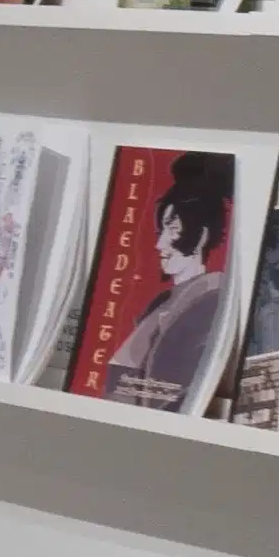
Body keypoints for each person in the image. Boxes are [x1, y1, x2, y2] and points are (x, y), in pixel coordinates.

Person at [94, 158, 234, 410]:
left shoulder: (210, 299)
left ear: (200, 236)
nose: (160, 245)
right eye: (161, 232)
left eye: (173, 231)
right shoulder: (160, 305)